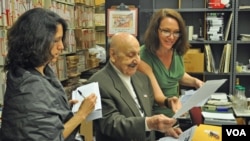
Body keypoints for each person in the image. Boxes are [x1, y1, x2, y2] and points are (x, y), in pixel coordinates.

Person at [0, 8, 97, 141]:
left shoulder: (34, 72)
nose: (61, 46)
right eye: (56, 40)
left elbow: (39, 116)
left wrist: (61, 109)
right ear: (38, 42)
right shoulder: (29, 87)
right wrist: (81, 114)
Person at [88, 32, 181, 141]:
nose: (137, 61)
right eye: (131, 55)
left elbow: (146, 113)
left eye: (138, 54)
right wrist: (149, 124)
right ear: (113, 55)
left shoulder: (142, 78)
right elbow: (111, 124)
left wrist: (165, 128)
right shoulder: (97, 83)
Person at [138, 8, 204, 139]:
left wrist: (195, 81)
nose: (172, 37)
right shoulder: (143, 56)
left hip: (176, 116)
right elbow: (158, 96)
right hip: (156, 120)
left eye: (176, 32)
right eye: (166, 31)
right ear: (156, 31)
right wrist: (171, 103)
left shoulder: (176, 50)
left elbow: (178, 74)